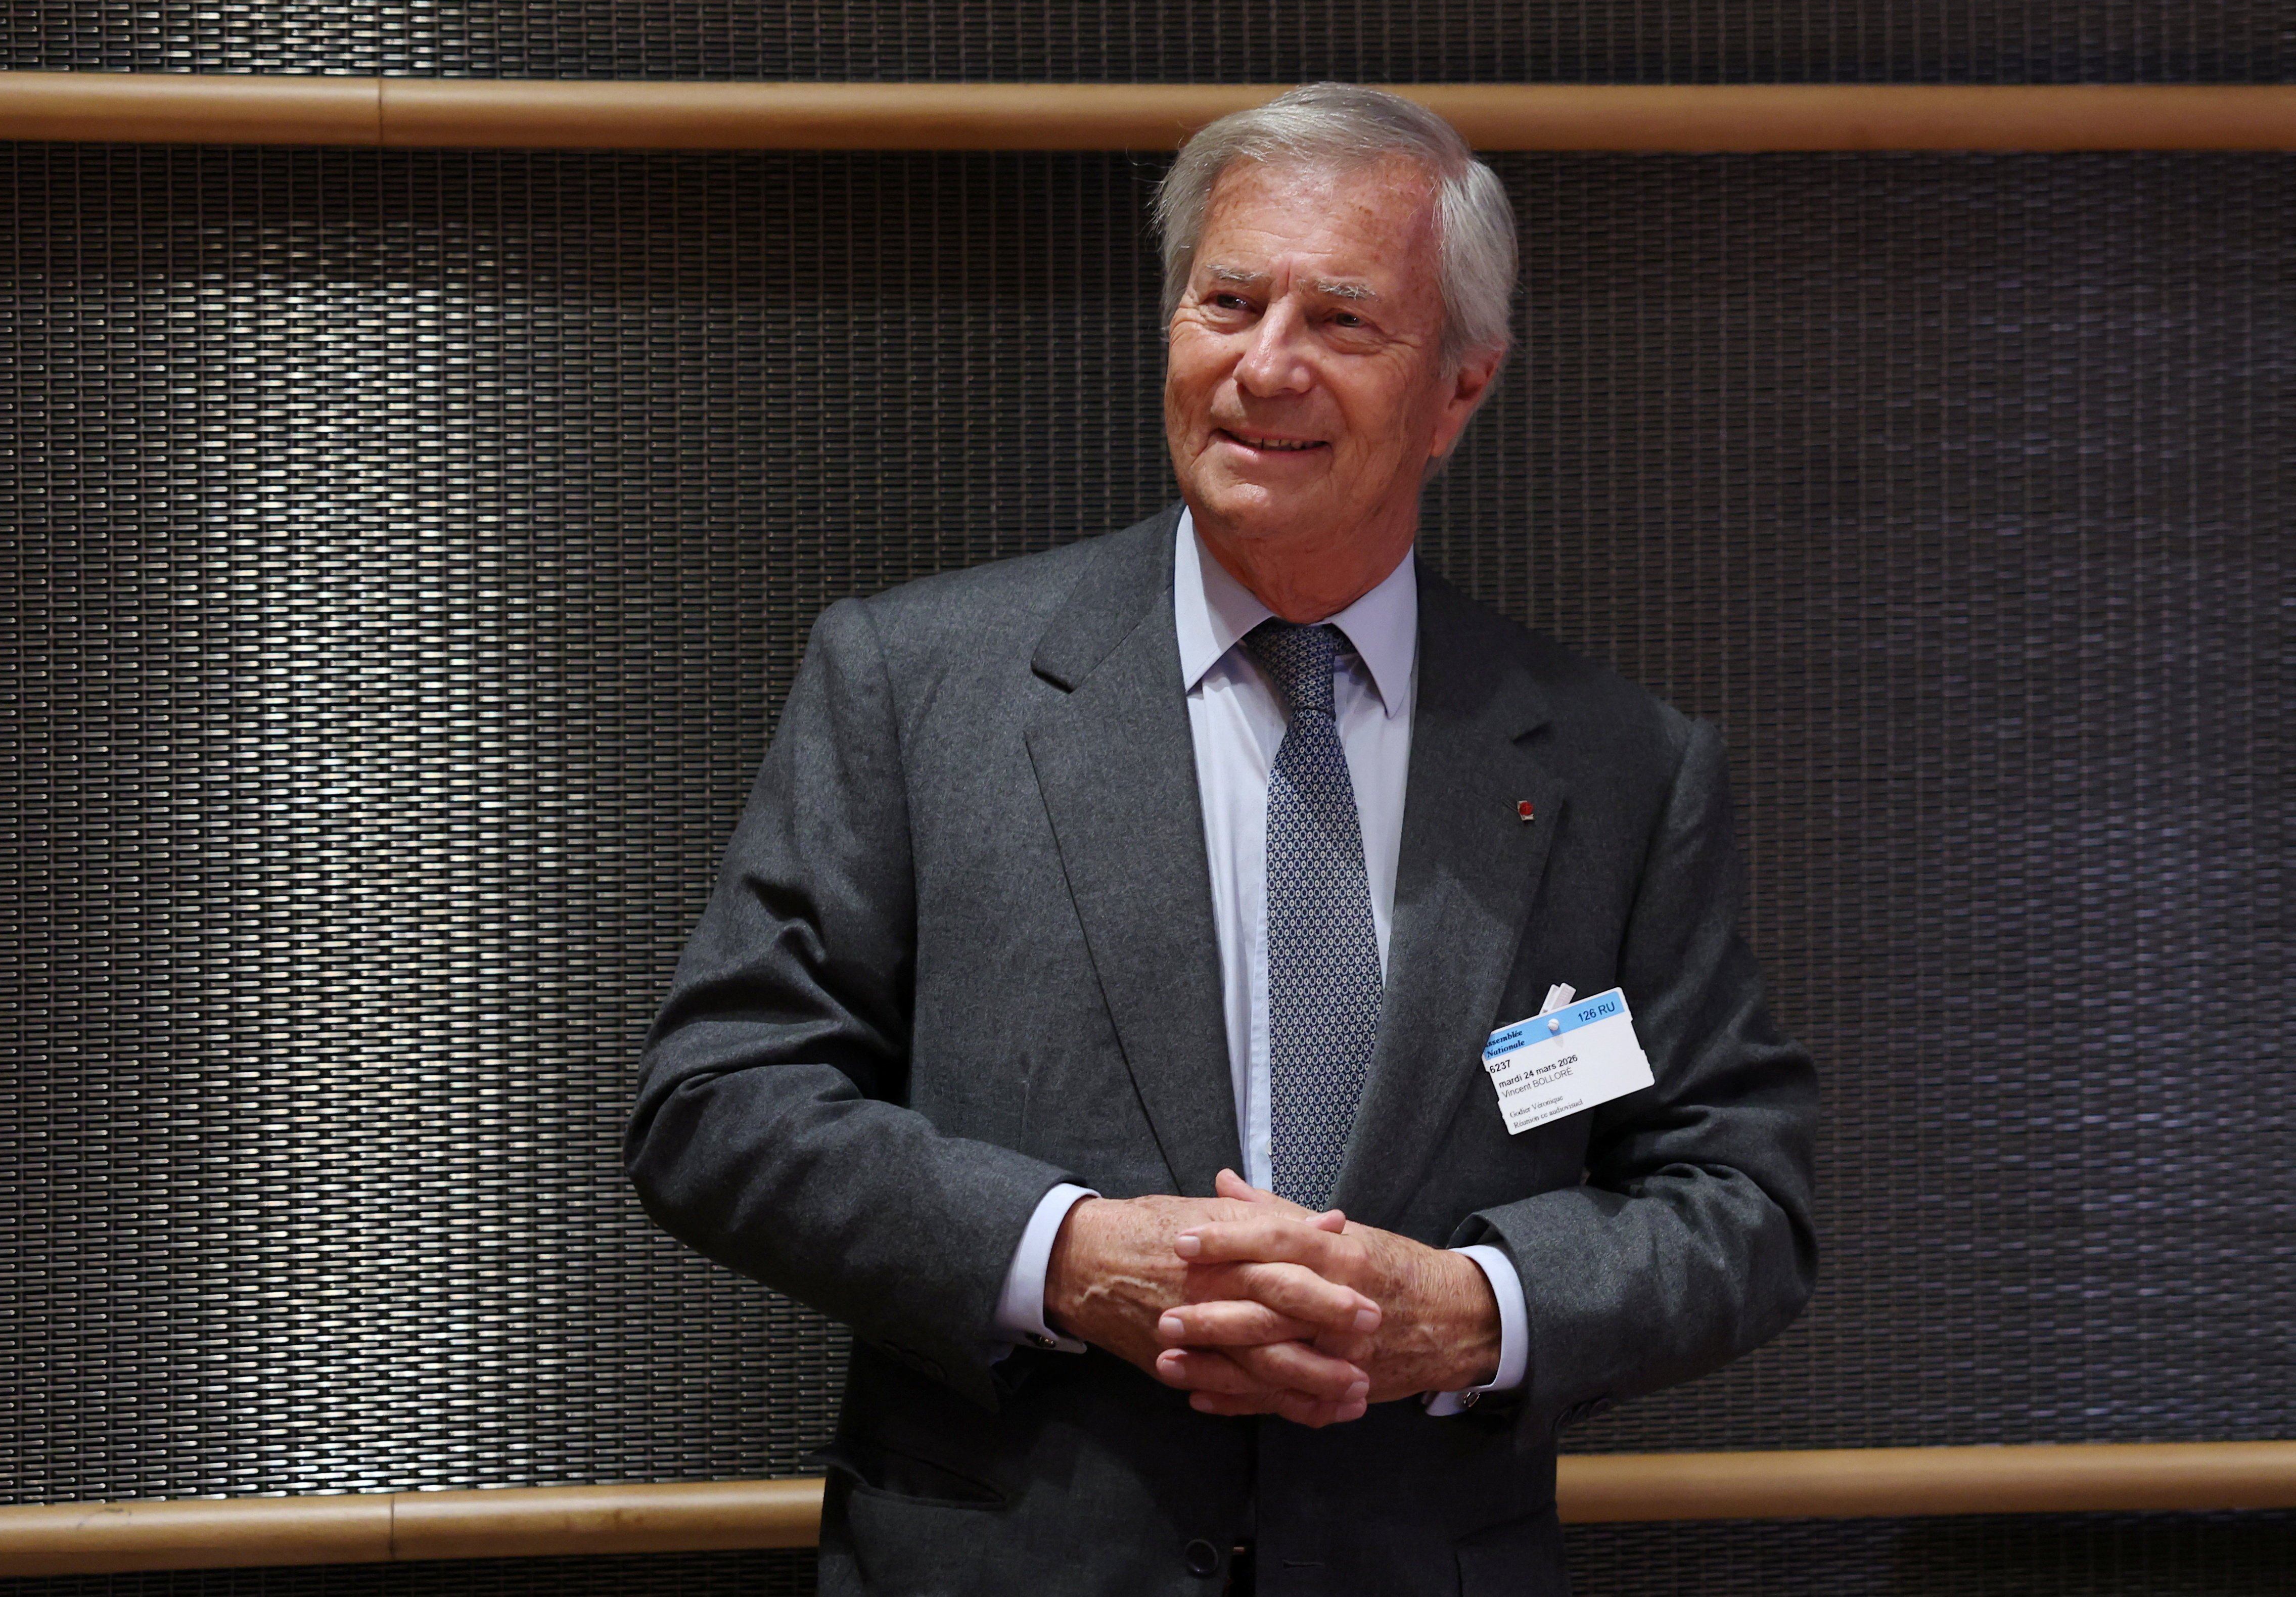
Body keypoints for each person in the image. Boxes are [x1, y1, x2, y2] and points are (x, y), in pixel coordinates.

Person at [627, 82, 1817, 1596]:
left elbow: (1743, 1203)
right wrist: (1064, 1257)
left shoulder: (1618, 766)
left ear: (1461, 386)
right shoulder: (918, 686)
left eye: (1341, 320)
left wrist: (1474, 1309)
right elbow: (718, 1103)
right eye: (1229, 302)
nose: (1266, 366)